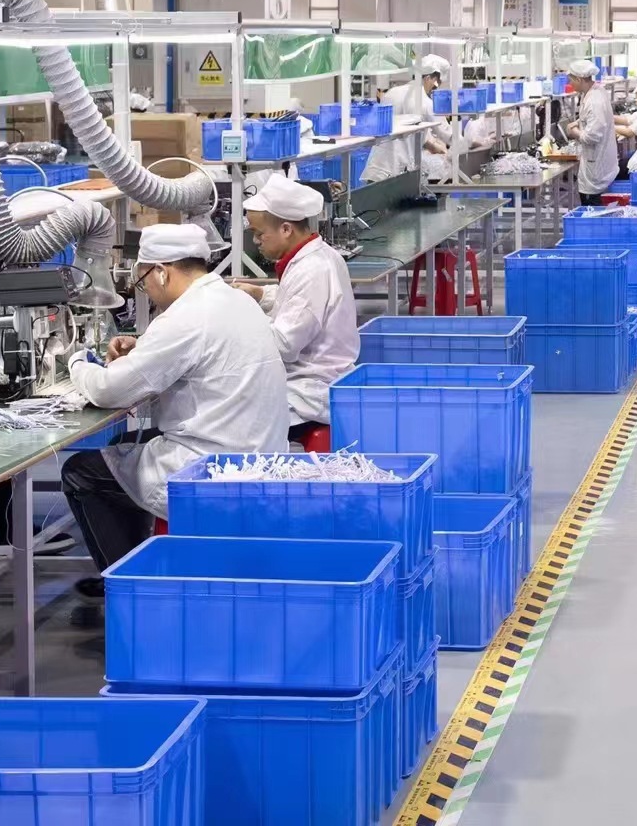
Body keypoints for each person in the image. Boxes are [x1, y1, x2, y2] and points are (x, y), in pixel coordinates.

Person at [61, 224, 289, 582]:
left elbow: (106, 390)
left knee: (80, 472)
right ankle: (143, 561)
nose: (148, 292)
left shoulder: (184, 318)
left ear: (161, 272)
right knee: (121, 444)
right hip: (262, 453)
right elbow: (200, 352)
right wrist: (144, 347)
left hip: (213, 469)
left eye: (143, 283)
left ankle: (131, 586)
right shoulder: (235, 300)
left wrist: (75, 362)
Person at [236, 175, 359, 442]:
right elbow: (298, 303)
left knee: (228, 420)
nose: (256, 241)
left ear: (286, 229)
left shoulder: (311, 270)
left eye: (259, 234)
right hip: (313, 379)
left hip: (308, 391)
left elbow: (284, 345)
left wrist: (240, 319)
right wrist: (259, 294)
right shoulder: (318, 256)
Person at [361, 54, 452, 183]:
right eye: (437, 84)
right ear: (429, 78)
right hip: (396, 174)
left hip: (376, 169)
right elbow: (448, 135)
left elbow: (406, 128)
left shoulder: (391, 93)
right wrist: (463, 147)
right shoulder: (426, 102)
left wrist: (432, 145)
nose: (435, 89)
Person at [566, 58, 619, 205]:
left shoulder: (594, 101)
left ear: (579, 79)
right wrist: (578, 122)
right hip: (599, 162)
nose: (570, 84)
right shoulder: (595, 91)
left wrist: (574, 132)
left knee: (593, 207)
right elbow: (590, 118)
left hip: (596, 167)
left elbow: (591, 137)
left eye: (571, 80)